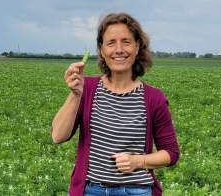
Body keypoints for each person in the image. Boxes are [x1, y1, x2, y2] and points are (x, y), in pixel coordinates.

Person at [51, 12, 180, 196]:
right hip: (90, 190)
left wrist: (138, 161)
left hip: (137, 191)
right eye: (111, 42)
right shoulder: (86, 89)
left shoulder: (153, 97)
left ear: (137, 47)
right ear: (102, 50)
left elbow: (171, 153)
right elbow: (58, 136)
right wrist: (75, 94)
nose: (119, 49)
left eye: (126, 42)